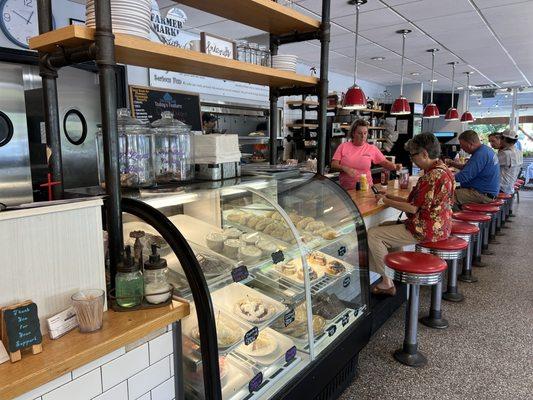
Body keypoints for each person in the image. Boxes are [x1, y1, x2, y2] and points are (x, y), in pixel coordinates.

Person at [368, 133, 455, 296]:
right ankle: (397, 271)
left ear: (424, 154)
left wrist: (385, 201)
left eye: (413, 155)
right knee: (384, 228)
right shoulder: (443, 170)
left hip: (425, 229)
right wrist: (388, 196)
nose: (411, 159)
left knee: (374, 234)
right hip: (440, 226)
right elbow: (416, 203)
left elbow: (412, 208)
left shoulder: (430, 176)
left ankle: (387, 282)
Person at [331, 119, 401, 190]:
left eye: (365, 133)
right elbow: (333, 165)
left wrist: (395, 166)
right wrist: (345, 168)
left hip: (366, 189)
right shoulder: (343, 146)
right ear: (353, 133)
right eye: (359, 133)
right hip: (346, 190)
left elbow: (385, 162)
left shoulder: (371, 148)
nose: (363, 136)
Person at [446, 130, 499, 206]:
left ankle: (459, 216)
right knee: (450, 192)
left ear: (470, 144)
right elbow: (467, 167)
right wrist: (451, 163)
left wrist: (442, 177)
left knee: (445, 196)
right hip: (485, 191)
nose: (461, 147)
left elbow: (464, 176)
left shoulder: (480, 154)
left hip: (482, 194)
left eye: (462, 144)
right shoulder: (485, 150)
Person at [498, 130, 522, 194]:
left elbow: (489, 166)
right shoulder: (519, 152)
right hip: (510, 188)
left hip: (501, 188)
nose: (499, 140)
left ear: (504, 139)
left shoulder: (505, 154)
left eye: (500, 138)